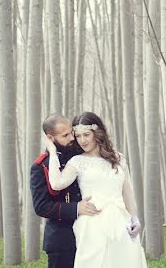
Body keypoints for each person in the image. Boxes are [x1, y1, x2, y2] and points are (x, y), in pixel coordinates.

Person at [43, 112, 147, 268]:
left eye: (86, 135)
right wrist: (52, 152)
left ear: (97, 133)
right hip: (92, 225)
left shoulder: (119, 158)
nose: (82, 140)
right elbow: (56, 184)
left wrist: (134, 218)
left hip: (121, 223)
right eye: (78, 136)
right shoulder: (77, 162)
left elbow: (127, 192)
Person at [31, 113, 101, 268]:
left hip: (91, 232)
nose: (72, 138)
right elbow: (41, 206)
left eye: (71, 133)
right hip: (61, 240)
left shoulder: (81, 155)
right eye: (65, 135)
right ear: (50, 138)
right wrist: (77, 208)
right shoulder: (40, 166)